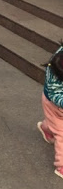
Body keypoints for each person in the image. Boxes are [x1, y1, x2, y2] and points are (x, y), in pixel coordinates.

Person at [37, 45, 63, 180]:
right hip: (53, 104)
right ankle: (61, 165)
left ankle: (46, 128)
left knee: (55, 125)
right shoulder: (56, 66)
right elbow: (54, 93)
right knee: (61, 133)